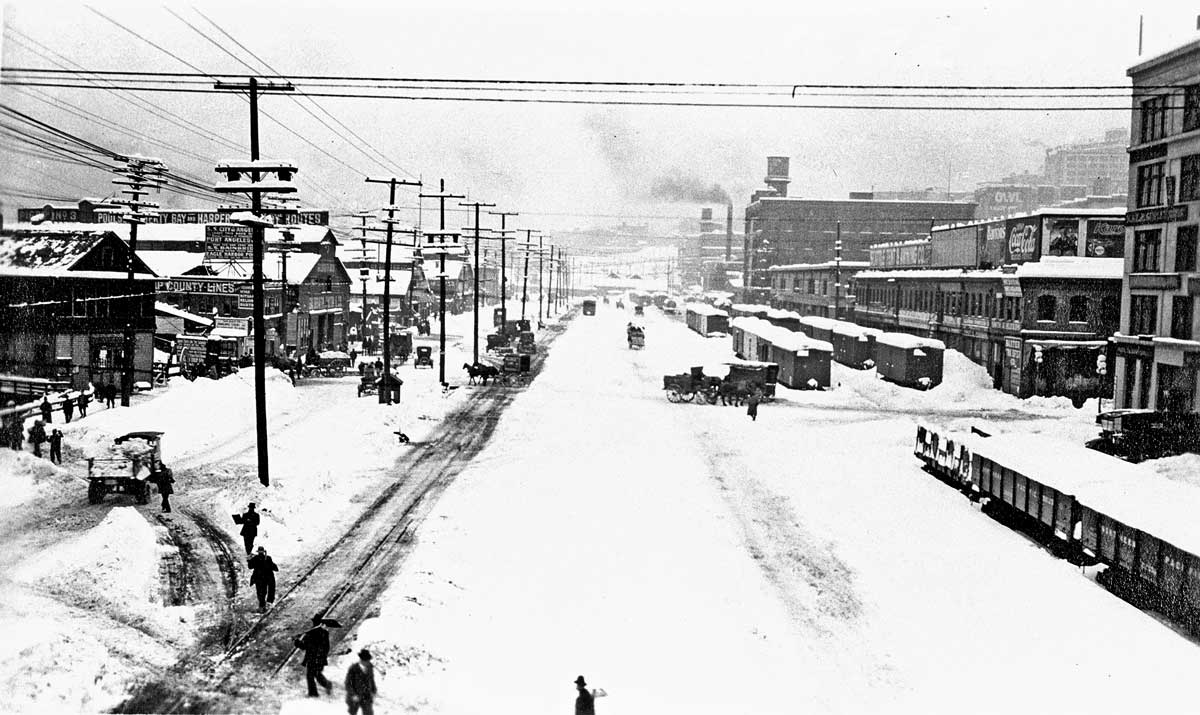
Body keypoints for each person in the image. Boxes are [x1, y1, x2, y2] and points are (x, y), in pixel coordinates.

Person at [295, 614, 333, 697]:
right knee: (316, 674)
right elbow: (327, 647)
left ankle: (314, 693)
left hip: (312, 658)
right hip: (320, 658)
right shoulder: (324, 633)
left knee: (310, 676)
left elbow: (304, 647)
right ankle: (326, 685)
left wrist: (297, 642)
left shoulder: (310, 634)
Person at [344, 648, 377, 715]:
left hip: (366, 696)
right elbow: (348, 683)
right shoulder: (353, 668)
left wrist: (374, 691)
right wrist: (353, 694)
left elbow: (371, 680)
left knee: (369, 713)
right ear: (362, 660)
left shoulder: (370, 668)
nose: (368, 662)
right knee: (352, 712)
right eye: (366, 661)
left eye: (368, 660)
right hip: (354, 696)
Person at [247, 546, 278, 612]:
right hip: (263, 578)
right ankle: (265, 605)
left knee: (261, 592)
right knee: (264, 592)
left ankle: (263, 605)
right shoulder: (266, 558)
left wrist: (249, 560)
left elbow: (250, 566)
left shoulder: (257, 558)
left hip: (260, 578)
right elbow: (273, 566)